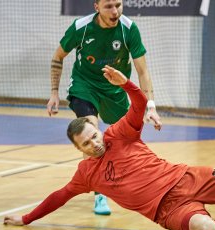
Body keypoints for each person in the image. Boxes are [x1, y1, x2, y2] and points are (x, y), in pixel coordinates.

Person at [5, 66, 215, 230]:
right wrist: (27, 218)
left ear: (97, 130)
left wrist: (126, 83)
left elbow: (138, 104)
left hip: (188, 178)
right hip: (166, 210)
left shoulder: (118, 134)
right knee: (204, 228)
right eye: (86, 144)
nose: (94, 143)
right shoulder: (87, 175)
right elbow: (59, 196)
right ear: (78, 150)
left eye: (93, 135)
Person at [47, 0, 162, 215]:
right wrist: (54, 92)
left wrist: (151, 106)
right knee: (90, 129)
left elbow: (143, 71)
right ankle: (100, 193)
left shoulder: (129, 29)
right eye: (108, 6)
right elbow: (58, 56)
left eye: (118, 5)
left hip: (115, 90)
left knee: (127, 140)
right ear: (96, 7)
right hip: (85, 85)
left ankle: (143, 182)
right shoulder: (80, 27)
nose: (115, 11)